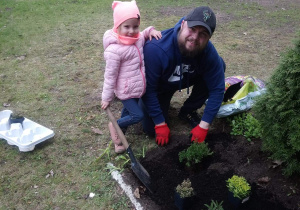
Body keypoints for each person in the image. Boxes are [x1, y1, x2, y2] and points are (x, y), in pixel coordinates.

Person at [141, 6, 226, 146]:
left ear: (209, 38)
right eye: (192, 29)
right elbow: (148, 90)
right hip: (159, 88)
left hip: (186, 77)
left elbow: (217, 88)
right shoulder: (156, 49)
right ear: (182, 24)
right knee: (152, 129)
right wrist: (160, 123)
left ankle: (188, 110)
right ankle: (139, 104)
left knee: (219, 65)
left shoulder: (208, 52)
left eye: (203, 34)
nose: (195, 37)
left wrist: (204, 126)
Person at [101, 0, 162, 153]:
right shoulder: (115, 49)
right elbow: (110, 76)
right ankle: (116, 125)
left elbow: (143, 34)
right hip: (125, 90)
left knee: (127, 113)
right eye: (126, 27)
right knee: (137, 115)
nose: (131, 31)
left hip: (137, 87)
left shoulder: (137, 38)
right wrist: (106, 97)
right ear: (117, 26)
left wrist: (151, 31)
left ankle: (119, 140)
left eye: (135, 26)